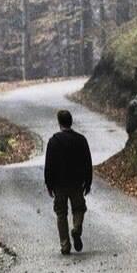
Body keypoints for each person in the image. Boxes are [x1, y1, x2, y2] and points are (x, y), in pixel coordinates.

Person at [43, 109, 93, 255]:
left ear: (59, 123)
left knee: (61, 213)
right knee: (79, 209)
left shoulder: (54, 141)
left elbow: (49, 164)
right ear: (71, 122)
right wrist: (88, 182)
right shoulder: (81, 140)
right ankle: (76, 228)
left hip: (59, 184)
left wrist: (49, 184)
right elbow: (87, 162)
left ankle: (65, 244)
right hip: (76, 183)